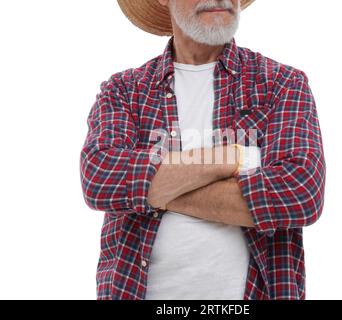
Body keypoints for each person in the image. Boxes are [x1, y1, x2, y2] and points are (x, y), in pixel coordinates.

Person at [79, 0, 326, 300]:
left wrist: (159, 190)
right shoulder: (124, 91)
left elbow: (300, 194)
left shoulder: (282, 85)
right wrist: (226, 159)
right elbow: (100, 179)